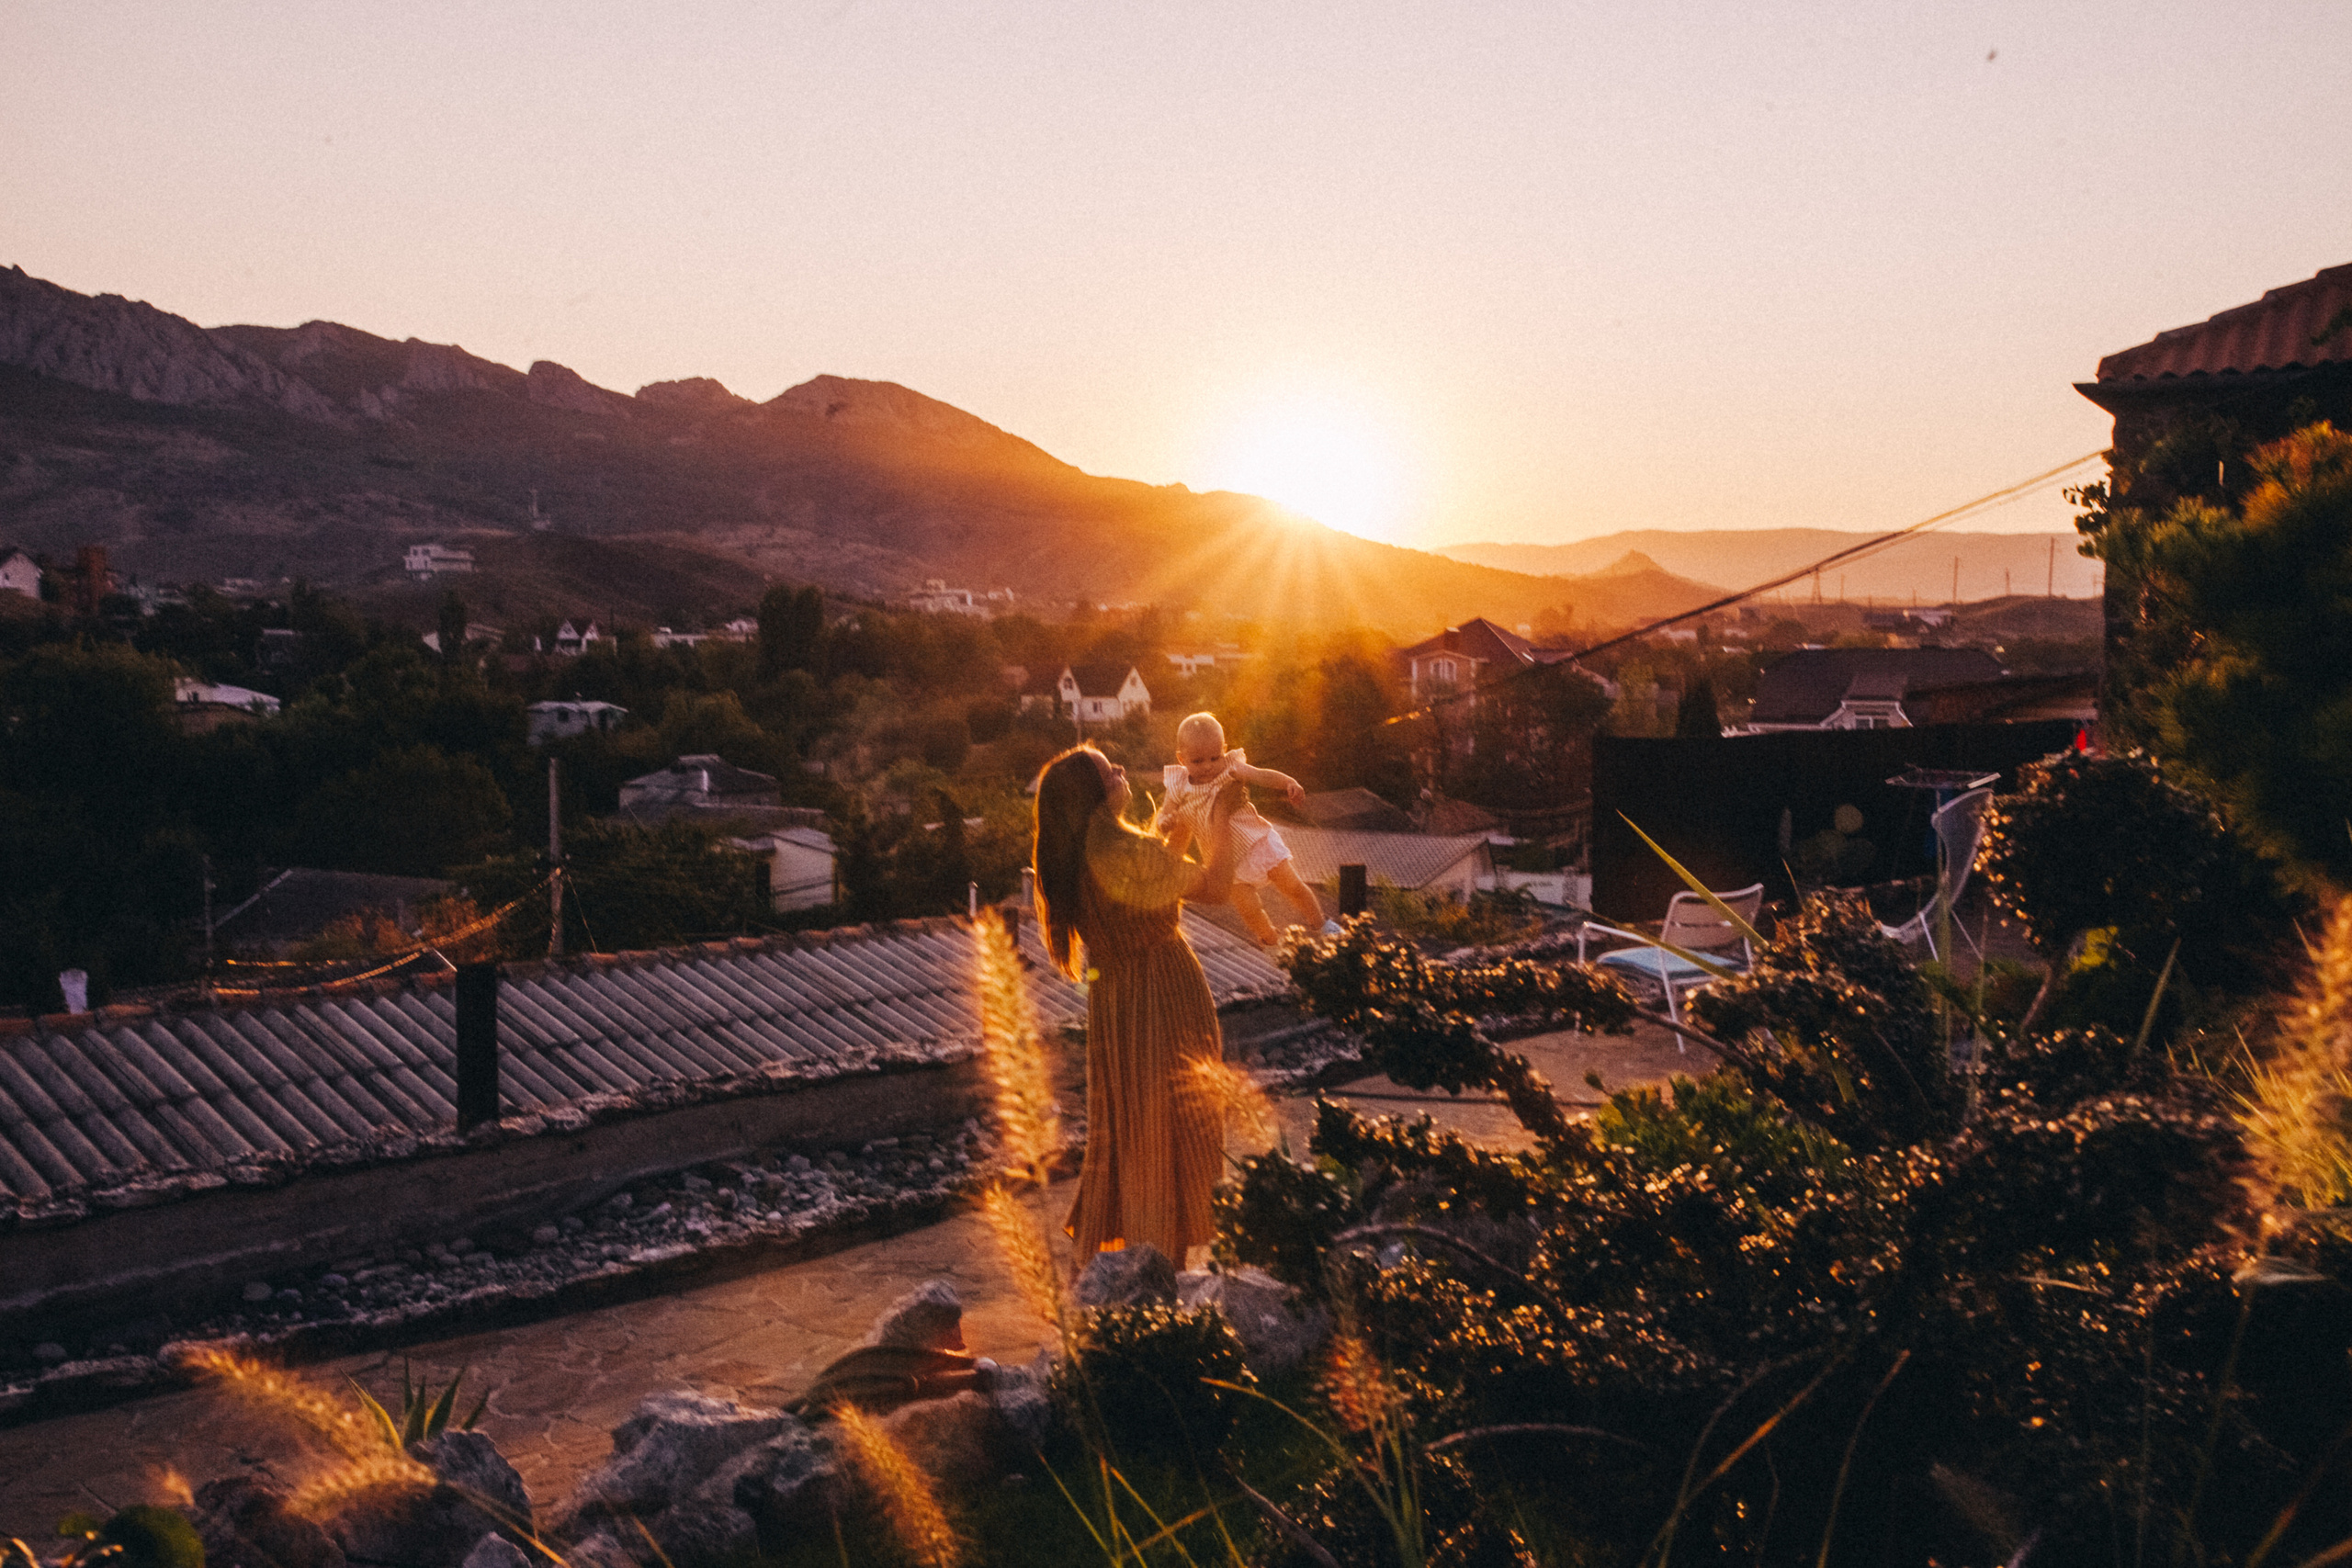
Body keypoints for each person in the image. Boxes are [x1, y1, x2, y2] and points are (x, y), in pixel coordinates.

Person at [1033, 741, 1243, 1263]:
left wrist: (1181, 829)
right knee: (1170, 1126)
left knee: (1131, 1127)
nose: (1122, 770)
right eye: (1109, 773)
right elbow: (1216, 887)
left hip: (1117, 1004)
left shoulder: (1081, 855)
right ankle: (1159, 1270)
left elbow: (1143, 888)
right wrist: (1223, 813)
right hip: (1164, 998)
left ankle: (1123, 1265)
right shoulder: (1125, 851)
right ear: (1093, 798)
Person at [1151, 711, 1335, 946]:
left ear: (1224, 750)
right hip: (1225, 861)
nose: (1208, 766)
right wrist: (1164, 822)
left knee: (1293, 887)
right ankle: (1271, 942)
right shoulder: (1178, 787)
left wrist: (1289, 782)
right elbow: (1164, 813)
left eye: (1214, 757)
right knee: (1249, 910)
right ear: (1181, 758)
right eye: (1197, 761)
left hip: (1257, 841)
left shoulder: (1231, 768)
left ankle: (1321, 923)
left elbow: (1261, 775)